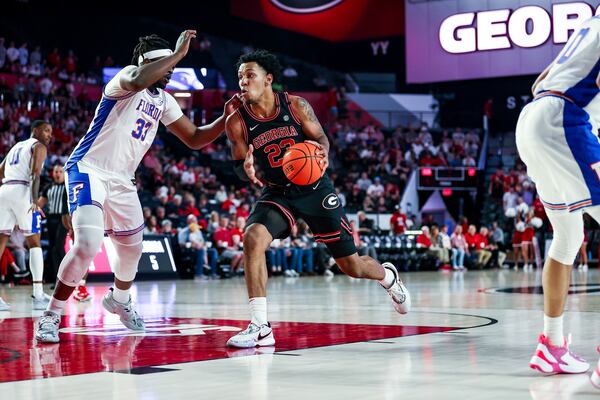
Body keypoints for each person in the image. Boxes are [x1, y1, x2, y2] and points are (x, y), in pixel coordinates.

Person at [35, 30, 241, 343]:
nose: (171, 72)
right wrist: (177, 54)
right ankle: (51, 315)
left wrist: (224, 120)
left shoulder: (165, 100)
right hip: (88, 169)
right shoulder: (126, 78)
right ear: (148, 63)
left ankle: (119, 299)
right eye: (166, 66)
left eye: (172, 67)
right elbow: (137, 81)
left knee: (133, 249)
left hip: (122, 179)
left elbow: (195, 138)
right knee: (88, 244)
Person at [224, 49, 410, 348]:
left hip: (314, 187)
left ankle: (387, 277)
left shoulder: (296, 106)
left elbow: (321, 139)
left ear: (268, 79)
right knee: (252, 238)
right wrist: (244, 167)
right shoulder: (236, 121)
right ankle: (260, 326)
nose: (243, 82)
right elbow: (239, 168)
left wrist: (320, 152)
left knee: (352, 267)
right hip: (277, 191)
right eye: (240, 77)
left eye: (250, 75)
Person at [515, 17, 599, 377]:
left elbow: (539, 81)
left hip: (535, 117)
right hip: (564, 120)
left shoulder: (590, 24)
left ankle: (551, 345)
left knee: (567, 239)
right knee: (567, 239)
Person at [0, 120, 53, 311]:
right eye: (46, 130)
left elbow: (0, 171)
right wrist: (33, 200)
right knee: (34, 241)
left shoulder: (16, 146)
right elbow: (36, 174)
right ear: (35, 130)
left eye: (50, 132)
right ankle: (38, 294)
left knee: (1, 241)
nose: (49, 135)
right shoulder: (38, 146)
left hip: (5, 189)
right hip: (23, 190)